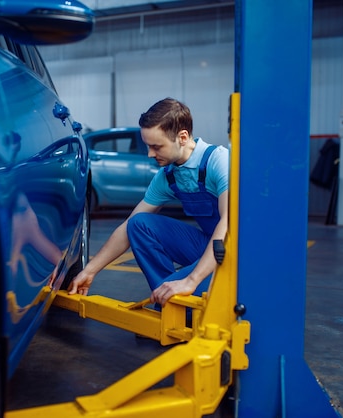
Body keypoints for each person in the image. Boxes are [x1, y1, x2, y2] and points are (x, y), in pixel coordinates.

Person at [68, 98, 229, 307]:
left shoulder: (219, 161)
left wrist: (191, 280)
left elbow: (228, 224)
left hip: (233, 251)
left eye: (156, 146)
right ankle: (170, 298)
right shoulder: (168, 176)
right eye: (148, 146)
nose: (150, 154)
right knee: (139, 224)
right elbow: (128, 228)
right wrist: (89, 271)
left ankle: (174, 300)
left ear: (182, 137)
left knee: (172, 297)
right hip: (207, 246)